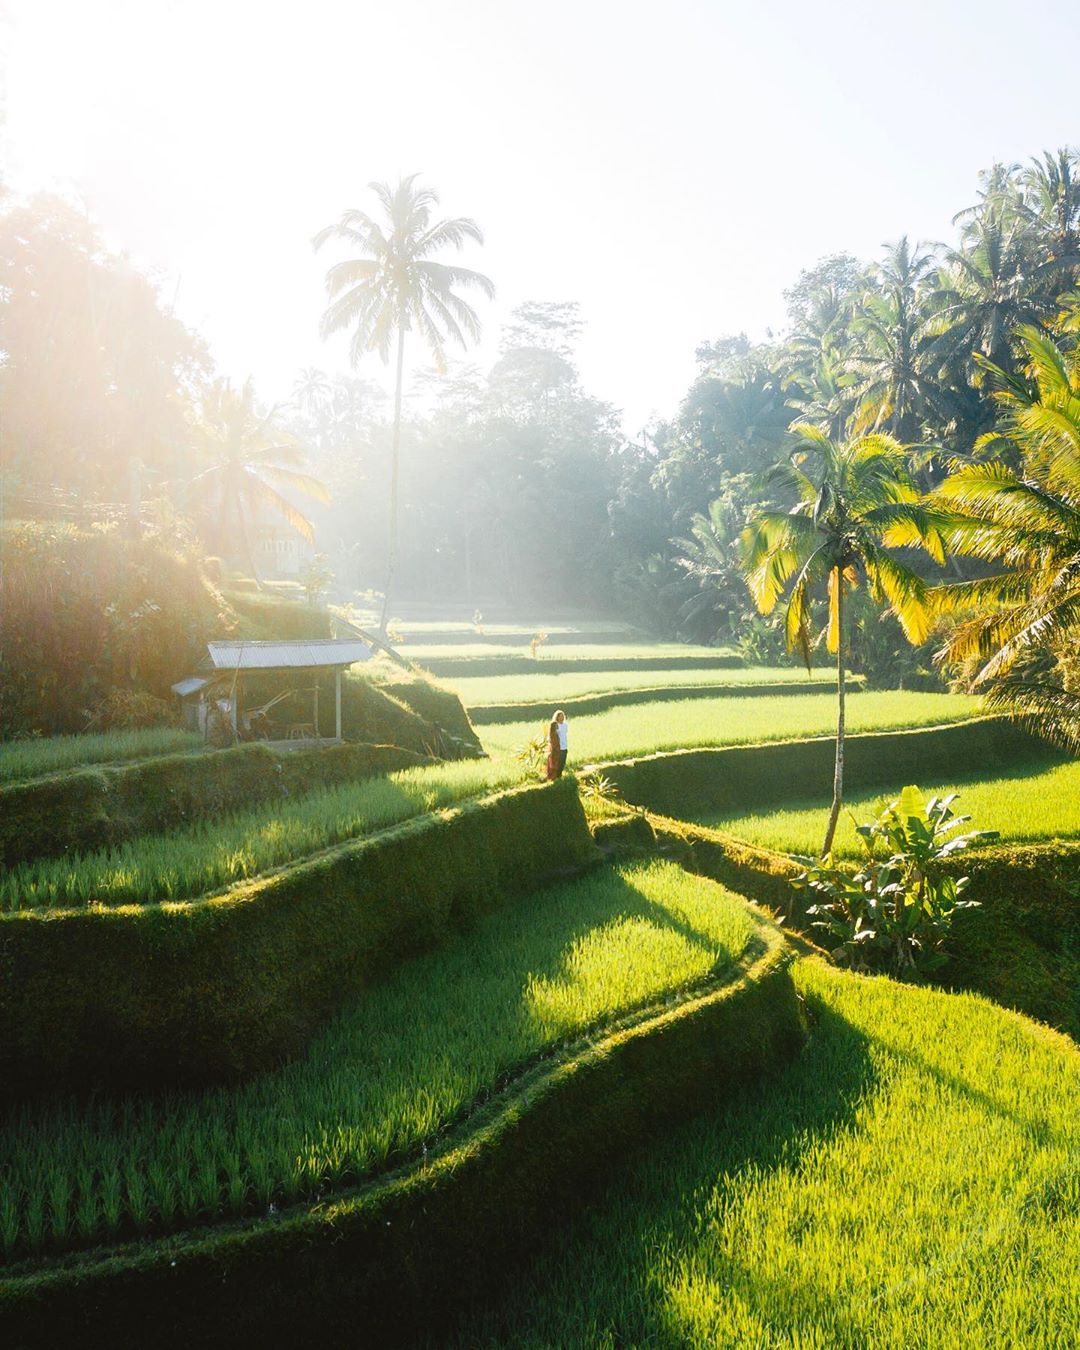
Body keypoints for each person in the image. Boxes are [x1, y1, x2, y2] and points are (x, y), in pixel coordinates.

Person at [546, 709, 568, 780]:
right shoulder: (555, 725)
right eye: (560, 716)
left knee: (563, 763)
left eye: (563, 716)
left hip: (565, 746)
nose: (562, 717)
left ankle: (559, 776)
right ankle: (556, 777)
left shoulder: (565, 725)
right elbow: (552, 736)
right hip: (558, 747)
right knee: (557, 763)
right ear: (557, 717)